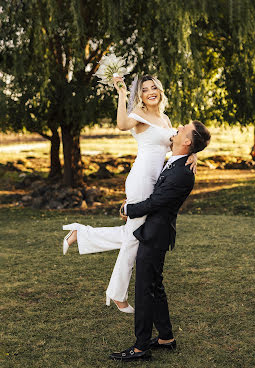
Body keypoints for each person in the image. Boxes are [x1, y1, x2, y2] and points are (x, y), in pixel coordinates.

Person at [62, 75, 197, 313]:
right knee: (135, 236)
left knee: (133, 233)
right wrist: (122, 94)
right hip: (142, 177)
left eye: (154, 87)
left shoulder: (164, 118)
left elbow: (182, 141)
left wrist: (194, 153)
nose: (150, 91)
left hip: (156, 181)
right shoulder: (139, 114)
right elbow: (122, 125)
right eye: (145, 89)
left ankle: (80, 235)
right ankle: (118, 294)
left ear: (160, 90)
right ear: (141, 95)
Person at [109, 120, 211, 362]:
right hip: (154, 231)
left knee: (145, 290)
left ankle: (140, 347)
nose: (180, 126)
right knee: (155, 286)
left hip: (155, 235)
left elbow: (156, 203)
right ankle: (166, 337)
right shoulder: (177, 159)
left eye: (185, 127)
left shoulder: (183, 173)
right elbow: (158, 141)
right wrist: (194, 153)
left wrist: (129, 209)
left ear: (187, 141)